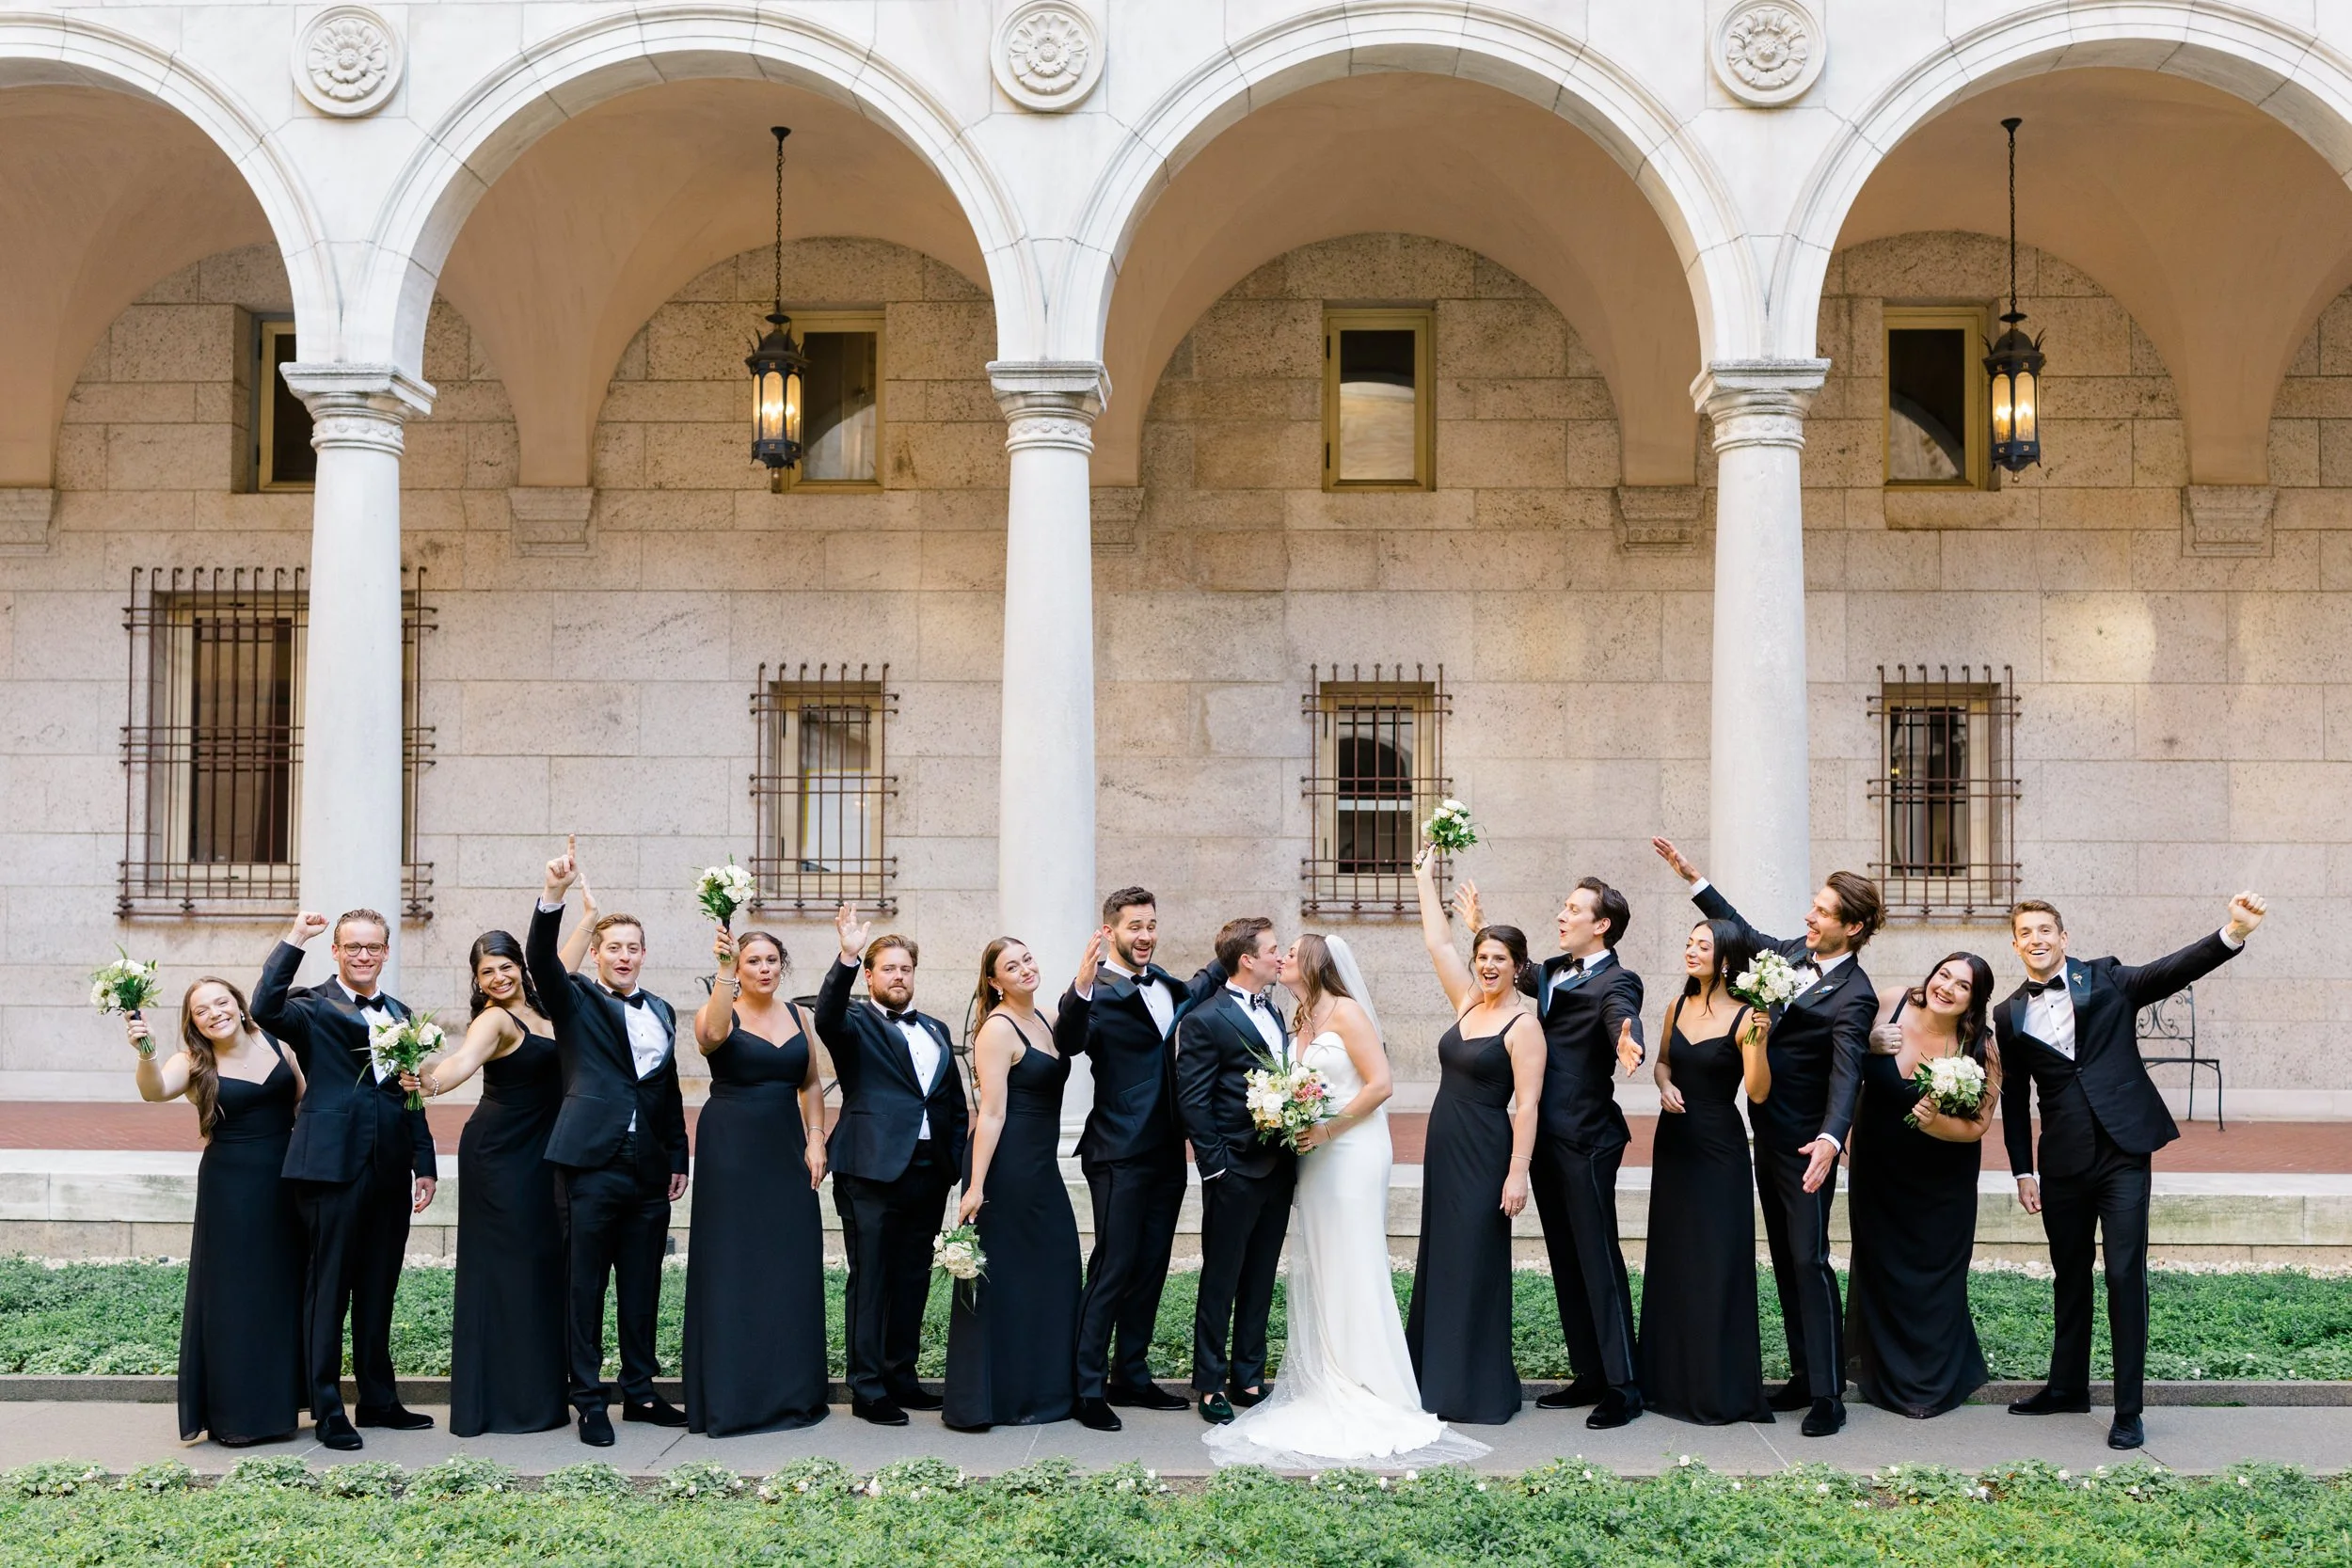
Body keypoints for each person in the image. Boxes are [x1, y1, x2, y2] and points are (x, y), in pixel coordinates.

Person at [1203, 933, 1487, 1469]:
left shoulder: (1349, 1012)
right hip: (1313, 1156)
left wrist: (1329, 1130)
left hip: (1352, 1150)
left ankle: (1368, 1379)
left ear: (1315, 963)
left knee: (1356, 1259)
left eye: (1291, 952)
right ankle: (1329, 1371)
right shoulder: (1298, 1017)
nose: (1283, 958)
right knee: (1323, 1261)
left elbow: (1381, 1085)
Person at [2000, 892, 2268, 1451]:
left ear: (2064, 938)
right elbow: (2014, 1096)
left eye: (2046, 929)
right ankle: (2066, 1387)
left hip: (2123, 1153)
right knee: (2068, 1277)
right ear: (2016, 944)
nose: (2037, 939)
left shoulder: (2107, 978)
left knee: (2124, 1276)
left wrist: (2233, 932)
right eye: (2026, 932)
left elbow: (2172, 970)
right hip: (2063, 1162)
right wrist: (2024, 1171)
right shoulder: (2009, 1014)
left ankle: (2128, 1410)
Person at [1651, 836, 1880, 1437]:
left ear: (1851, 928)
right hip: (1760, 1132)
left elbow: (1846, 1070)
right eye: (1813, 905)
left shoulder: (1856, 994)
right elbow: (1740, 931)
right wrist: (1695, 879)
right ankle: (1804, 1374)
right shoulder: (1785, 955)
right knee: (1782, 1257)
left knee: (1809, 1257)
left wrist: (1832, 1139)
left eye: (1823, 911)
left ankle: (1829, 1395)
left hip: (1807, 1147)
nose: (1809, 915)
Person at [1456, 871, 1645, 1428]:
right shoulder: (1553, 972)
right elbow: (1515, 967)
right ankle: (1588, 1374)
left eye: (1572, 909)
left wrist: (1625, 1036)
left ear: (1602, 925)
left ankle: (1624, 1385)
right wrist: (1477, 927)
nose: (1561, 916)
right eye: (1563, 907)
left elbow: (1620, 1012)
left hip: (1587, 1139)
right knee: (1565, 1258)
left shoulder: (1619, 980)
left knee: (1599, 1258)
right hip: (1542, 1138)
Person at [252, 909, 437, 1451]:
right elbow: (263, 1007)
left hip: (389, 1169)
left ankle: (379, 1400)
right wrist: (294, 938)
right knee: (328, 1289)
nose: (363, 955)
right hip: (329, 1166)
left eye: (373, 947)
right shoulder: (311, 1005)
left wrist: (423, 1161)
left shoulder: (401, 1013)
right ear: (336, 951)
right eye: (353, 946)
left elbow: (410, 1092)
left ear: (385, 952)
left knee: (379, 1287)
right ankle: (328, 1407)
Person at [528, 843, 691, 1447]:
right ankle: (589, 1398)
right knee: (585, 1282)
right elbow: (540, 961)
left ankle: (642, 1391)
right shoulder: (575, 998)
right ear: (596, 953)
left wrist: (678, 1155)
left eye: (632, 948)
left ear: (644, 955)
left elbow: (665, 1087)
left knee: (642, 1282)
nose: (624, 956)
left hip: (648, 1165)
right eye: (613, 947)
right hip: (590, 1160)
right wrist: (556, 897)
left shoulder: (665, 1010)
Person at [407, 926, 587, 1436]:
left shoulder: (544, 1002)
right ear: (478, 981)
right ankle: (501, 1403)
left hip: (542, 1152)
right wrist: (430, 1082)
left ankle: (538, 1394)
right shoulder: (494, 1019)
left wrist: (588, 912)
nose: (499, 977)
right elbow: (461, 1062)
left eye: (506, 966)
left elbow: (559, 957)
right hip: (501, 1156)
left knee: (540, 1268)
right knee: (505, 1272)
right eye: (487, 972)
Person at [1055, 886, 1221, 1432]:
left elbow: (1201, 986)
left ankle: (1131, 1373)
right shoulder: (1094, 992)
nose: (1145, 935)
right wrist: (1080, 984)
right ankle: (1084, 1387)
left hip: (1168, 1150)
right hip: (1117, 1151)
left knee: (1151, 1266)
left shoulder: (1167, 985)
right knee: (1114, 1266)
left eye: (1150, 925)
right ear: (1110, 932)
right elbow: (1069, 1040)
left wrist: (1240, 946)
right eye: (1134, 927)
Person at [130, 977, 306, 1447]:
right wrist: (145, 1051)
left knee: (283, 1290)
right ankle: (238, 1418)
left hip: (288, 1182)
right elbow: (155, 1091)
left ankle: (281, 1407)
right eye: (201, 1010)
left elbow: (304, 1103)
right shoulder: (191, 1061)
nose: (214, 1013)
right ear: (193, 1023)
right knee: (235, 1295)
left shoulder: (275, 1042)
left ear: (239, 1004)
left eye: (221, 1002)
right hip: (233, 1187)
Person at [818, 905, 968, 1426]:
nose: (898, 976)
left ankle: (901, 1374)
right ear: (871, 975)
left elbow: (951, 1101)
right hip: (871, 1170)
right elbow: (825, 1015)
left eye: (905, 968)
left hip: (929, 1171)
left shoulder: (936, 1028)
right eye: (888, 968)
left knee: (913, 1278)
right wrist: (846, 955)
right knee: (872, 1278)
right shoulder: (853, 1023)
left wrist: (952, 1164)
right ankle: (867, 1387)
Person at [1406, 850, 1543, 1425]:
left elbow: (1529, 1103)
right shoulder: (1466, 1002)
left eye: (1499, 959)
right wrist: (1423, 881)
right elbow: (1439, 946)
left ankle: (1473, 1387)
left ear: (1517, 967)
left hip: (1488, 1153)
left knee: (1474, 1261)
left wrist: (1517, 1173)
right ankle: (1430, 1378)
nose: (1487, 966)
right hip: (1445, 1150)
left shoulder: (1525, 1025)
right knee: (1440, 1258)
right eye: (1482, 957)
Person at [682, 927, 832, 1436]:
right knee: (735, 1265)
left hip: (786, 1148)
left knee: (788, 1264)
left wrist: (816, 1138)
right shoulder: (717, 1008)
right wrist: (724, 974)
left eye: (771, 960)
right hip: (733, 1148)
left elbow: (810, 1081)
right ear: (738, 967)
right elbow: (712, 1038)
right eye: (753, 961)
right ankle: (735, 1399)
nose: (764, 969)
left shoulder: (797, 1015)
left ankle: (791, 1393)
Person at [1846, 953, 2000, 1420]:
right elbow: (1840, 1051)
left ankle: (1928, 1383)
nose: (1948, 988)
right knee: (1880, 1265)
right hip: (1877, 1168)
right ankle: (1881, 1373)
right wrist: (1868, 1043)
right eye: (1944, 975)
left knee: (1934, 1275)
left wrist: (1933, 1124)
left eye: (1963, 986)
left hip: (1941, 1180)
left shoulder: (1982, 1047)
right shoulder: (1889, 1002)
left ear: (1974, 1001)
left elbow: (1978, 1125)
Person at [944, 936, 1083, 1432]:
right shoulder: (996, 1031)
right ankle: (993, 1399)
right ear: (994, 980)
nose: (1025, 968)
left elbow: (1081, 1025)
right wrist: (976, 1185)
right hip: (1008, 1165)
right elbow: (992, 1113)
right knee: (1008, 1280)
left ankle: (1045, 1390)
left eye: (1028, 958)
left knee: (1054, 1272)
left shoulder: (1045, 1016)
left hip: (1041, 1164)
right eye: (1011, 965)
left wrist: (1085, 977)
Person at [1640, 920, 1773, 1425]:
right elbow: (1663, 1063)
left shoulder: (1746, 1017)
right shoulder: (1676, 1006)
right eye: (1689, 941)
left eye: (1703, 945)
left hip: (1720, 1148)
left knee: (1717, 1261)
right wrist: (1664, 1085)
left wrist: (1759, 1039)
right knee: (1674, 1257)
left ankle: (1718, 1385)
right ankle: (1666, 1382)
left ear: (1725, 960)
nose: (1691, 950)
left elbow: (1758, 1092)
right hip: (1673, 1143)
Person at [1174, 917, 1296, 1425]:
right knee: (1221, 1279)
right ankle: (1208, 1384)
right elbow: (1193, 1100)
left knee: (1262, 1275)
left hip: (1279, 1167)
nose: (1279, 957)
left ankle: (1249, 1374)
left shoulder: (1275, 1008)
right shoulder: (1205, 1019)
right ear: (1247, 959)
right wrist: (1215, 1167)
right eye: (1272, 950)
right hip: (1234, 1170)